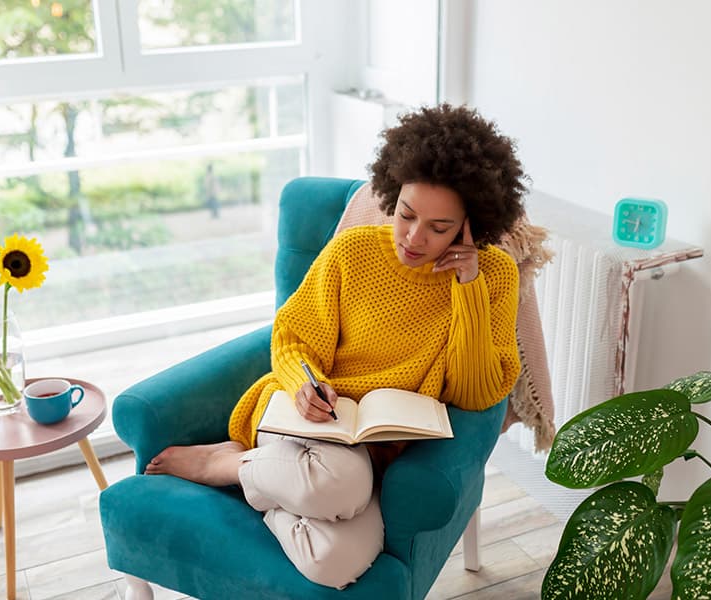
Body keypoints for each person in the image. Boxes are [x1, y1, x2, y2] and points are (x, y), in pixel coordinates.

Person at [145, 103, 526, 589]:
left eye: (439, 227)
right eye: (407, 215)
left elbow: (476, 393)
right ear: (393, 192)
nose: (413, 237)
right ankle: (222, 463)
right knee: (338, 483)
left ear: (471, 225)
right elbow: (292, 335)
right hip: (309, 420)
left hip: (376, 448)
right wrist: (305, 383)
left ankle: (254, 478)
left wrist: (467, 286)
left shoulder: (493, 276)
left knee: (334, 563)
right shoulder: (354, 252)